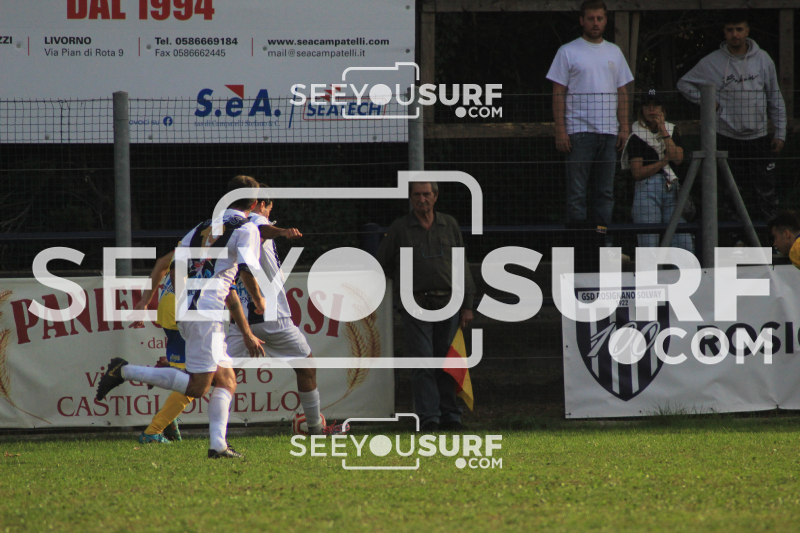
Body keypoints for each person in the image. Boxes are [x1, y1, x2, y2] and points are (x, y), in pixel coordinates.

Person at [97, 175, 266, 459]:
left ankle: (218, 446)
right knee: (198, 387)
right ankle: (123, 371)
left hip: (190, 309)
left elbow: (175, 265)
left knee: (226, 379)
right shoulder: (247, 228)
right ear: (254, 203)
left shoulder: (200, 227)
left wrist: (186, 300)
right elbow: (247, 271)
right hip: (207, 312)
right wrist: (259, 301)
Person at [225, 188, 343, 435]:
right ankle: (315, 428)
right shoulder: (254, 221)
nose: (270, 213)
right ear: (259, 204)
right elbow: (261, 229)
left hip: (240, 319)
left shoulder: (230, 226)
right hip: (272, 318)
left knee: (221, 376)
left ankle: (212, 433)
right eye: (269, 208)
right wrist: (281, 231)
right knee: (306, 367)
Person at [677, 11, 786, 242]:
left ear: (747, 31)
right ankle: (736, 242)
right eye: (730, 30)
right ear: (724, 32)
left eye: (739, 29)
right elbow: (684, 83)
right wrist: (708, 102)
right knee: (730, 194)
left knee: (766, 193)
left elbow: (775, 96)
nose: (734, 34)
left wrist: (780, 132)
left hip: (759, 137)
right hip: (727, 136)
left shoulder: (763, 59)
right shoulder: (712, 62)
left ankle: (773, 242)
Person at [377, 182, 476, 432]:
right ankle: (429, 418)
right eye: (417, 194)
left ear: (436, 196)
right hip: (415, 304)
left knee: (448, 362)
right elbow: (383, 262)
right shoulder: (400, 228)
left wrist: (467, 304)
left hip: (449, 301)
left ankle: (451, 416)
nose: (422, 199)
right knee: (422, 363)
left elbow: (461, 265)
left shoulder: (450, 224)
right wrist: (405, 282)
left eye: (426, 194)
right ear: (410, 198)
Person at [546, 0, 633, 231]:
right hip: (578, 132)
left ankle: (602, 242)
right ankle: (580, 245)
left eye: (600, 18)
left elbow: (622, 92)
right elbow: (558, 93)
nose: (596, 23)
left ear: (605, 20)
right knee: (577, 194)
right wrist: (561, 130)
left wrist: (624, 127)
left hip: (609, 133)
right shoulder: (567, 51)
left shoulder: (615, 52)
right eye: (591, 18)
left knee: (605, 193)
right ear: (582, 21)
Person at [622, 89, 693, 253]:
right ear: (642, 109)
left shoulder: (671, 130)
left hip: (673, 189)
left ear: (663, 109)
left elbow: (678, 158)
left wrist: (663, 130)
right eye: (647, 105)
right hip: (647, 191)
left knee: (683, 245)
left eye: (656, 105)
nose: (652, 109)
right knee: (649, 246)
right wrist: (663, 161)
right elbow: (637, 173)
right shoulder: (636, 135)